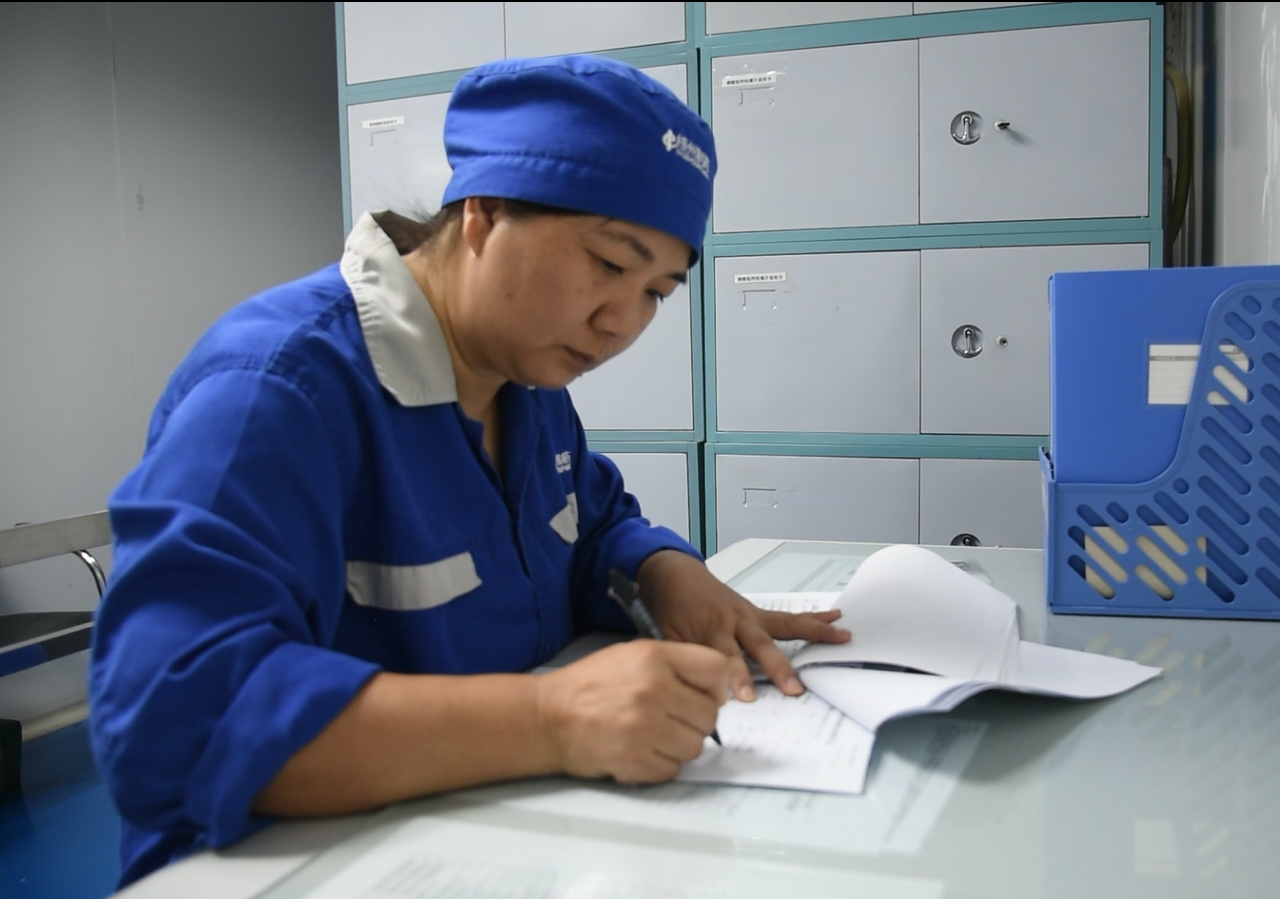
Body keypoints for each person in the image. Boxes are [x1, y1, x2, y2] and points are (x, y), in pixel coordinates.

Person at [88, 54, 850, 887]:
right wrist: (551, 719)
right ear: (484, 214)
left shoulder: (526, 382)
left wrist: (665, 571)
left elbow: (589, 524)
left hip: (488, 829)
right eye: (609, 265)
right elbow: (169, 717)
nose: (621, 323)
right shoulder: (275, 392)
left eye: (657, 293)